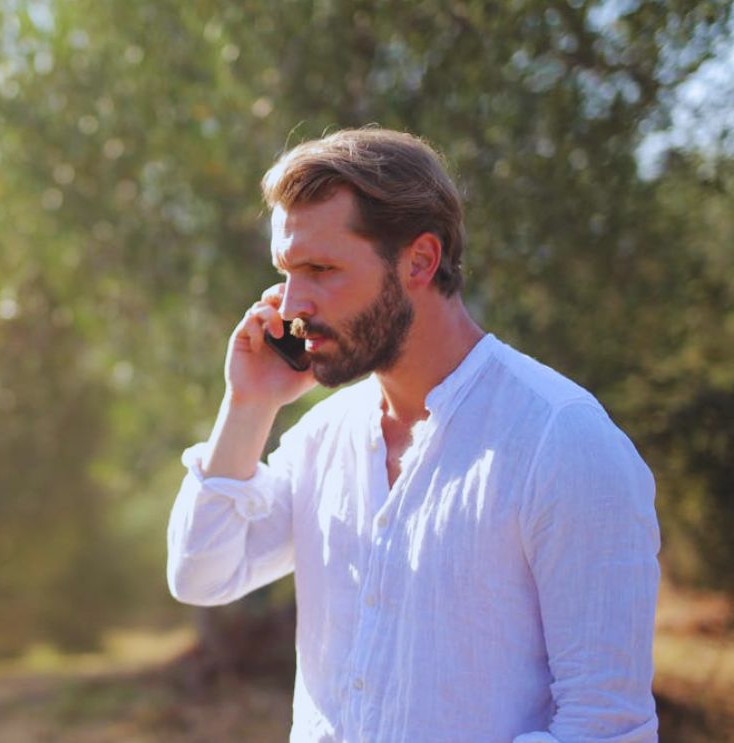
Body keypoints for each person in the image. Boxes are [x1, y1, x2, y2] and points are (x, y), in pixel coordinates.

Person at [166, 128, 660, 742]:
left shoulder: (561, 439)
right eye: (286, 272)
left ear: (420, 261)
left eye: (321, 269)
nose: (292, 304)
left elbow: (606, 725)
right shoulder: (324, 436)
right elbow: (202, 573)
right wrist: (248, 404)